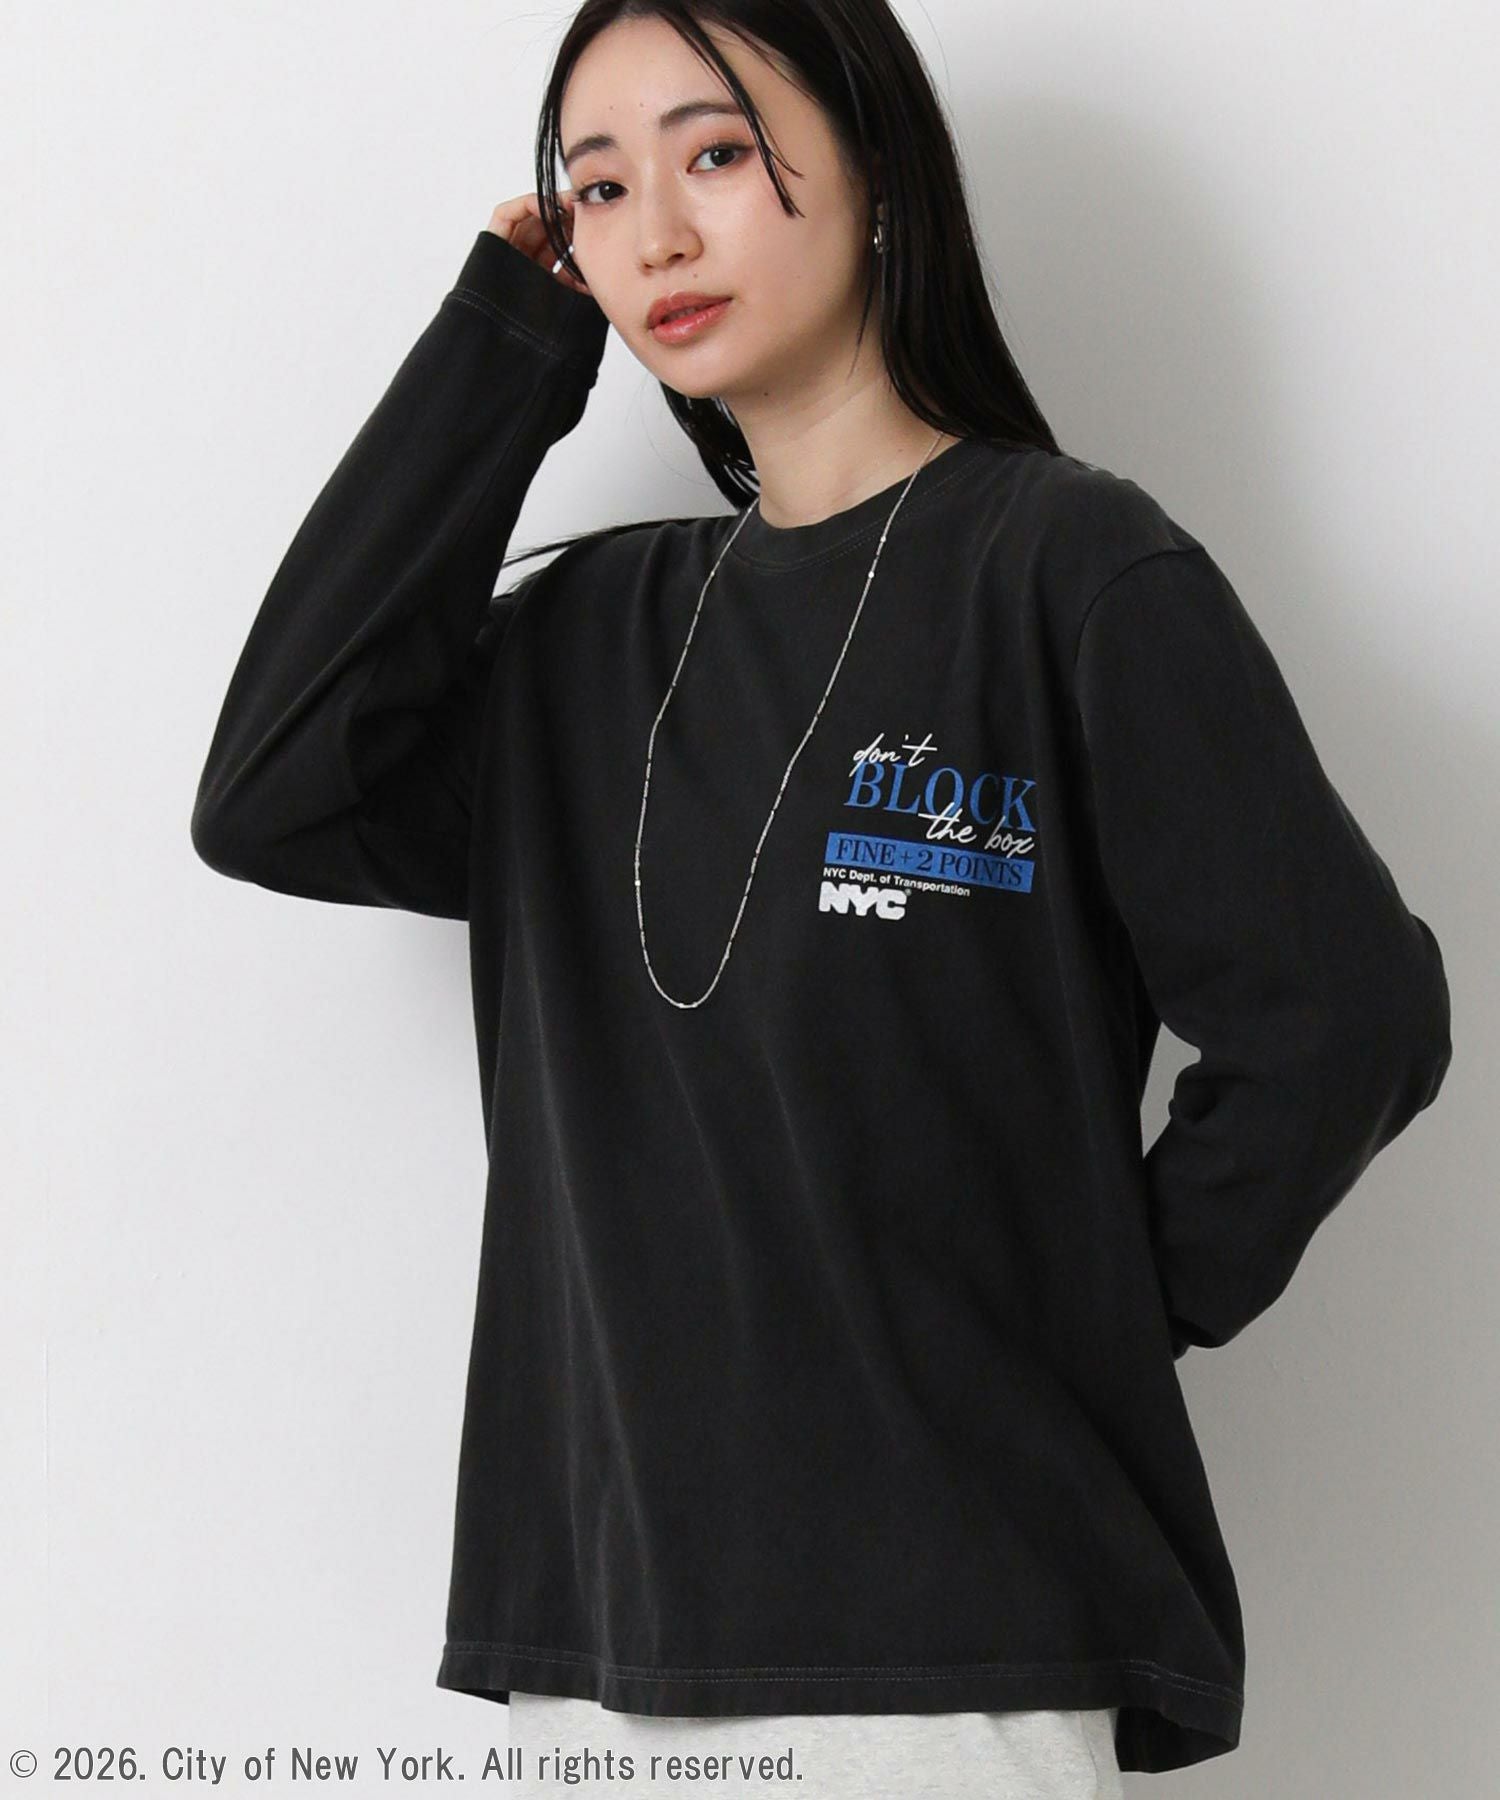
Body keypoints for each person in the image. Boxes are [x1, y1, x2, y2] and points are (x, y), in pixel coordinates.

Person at [189, 0, 1452, 1790]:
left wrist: (1091, 1312)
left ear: (878, 175)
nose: (655, 235)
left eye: (715, 154)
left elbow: (1347, 1017)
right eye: (597, 190)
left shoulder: (1067, 571)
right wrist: (499, 345)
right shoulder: (585, 643)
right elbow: (275, 788)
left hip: (956, 1667)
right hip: (600, 1652)